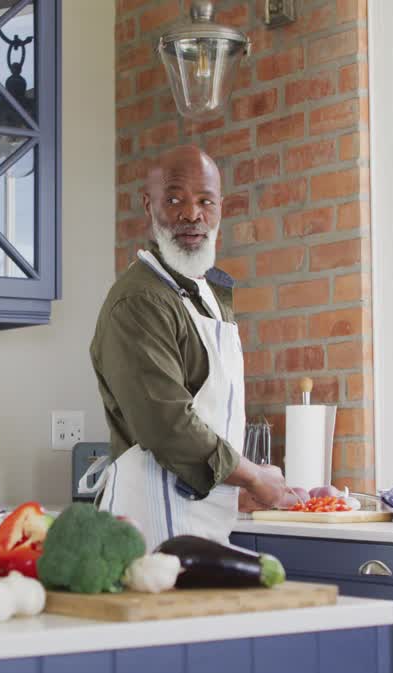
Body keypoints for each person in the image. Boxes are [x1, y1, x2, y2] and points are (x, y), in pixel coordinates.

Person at [88, 144, 289, 550]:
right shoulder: (140, 300)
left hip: (203, 519)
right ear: (150, 205)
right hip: (146, 523)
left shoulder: (208, 293)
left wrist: (236, 487)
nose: (191, 214)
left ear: (220, 209)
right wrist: (251, 475)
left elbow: (211, 420)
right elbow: (168, 427)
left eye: (205, 201)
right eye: (175, 199)